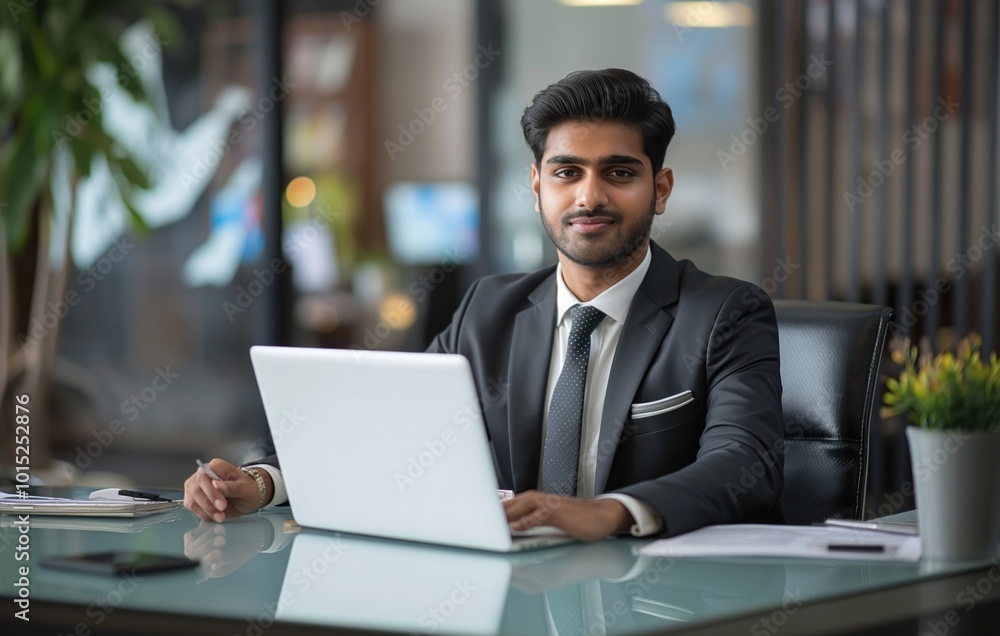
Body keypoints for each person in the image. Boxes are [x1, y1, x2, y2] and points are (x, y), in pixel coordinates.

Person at [184, 68, 784, 541]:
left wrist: (610, 512)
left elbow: (743, 463)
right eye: (566, 172)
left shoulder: (725, 314)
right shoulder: (489, 308)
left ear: (660, 189)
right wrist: (264, 481)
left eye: (619, 172)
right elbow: (385, 427)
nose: (589, 196)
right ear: (536, 187)